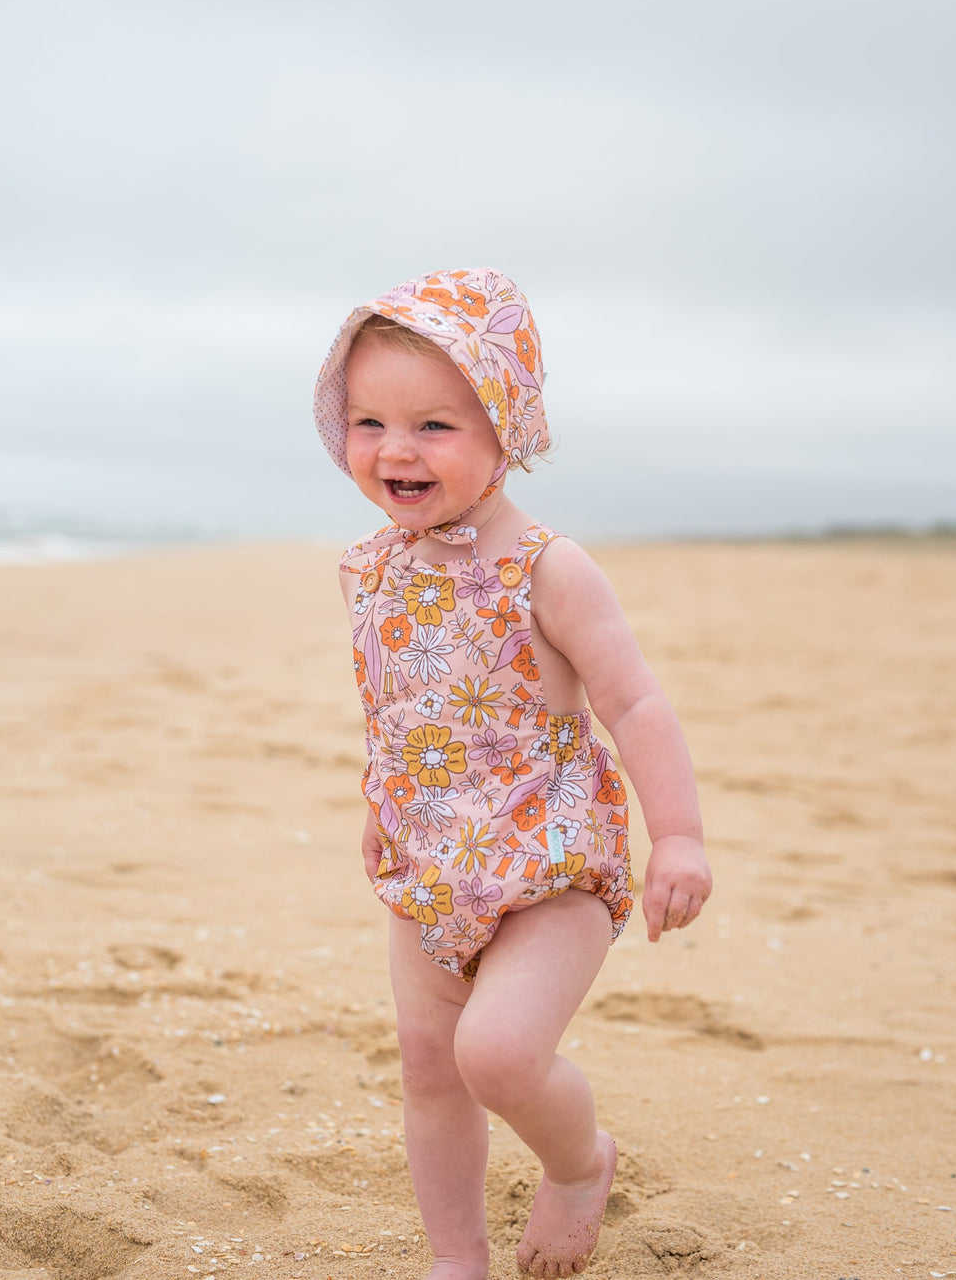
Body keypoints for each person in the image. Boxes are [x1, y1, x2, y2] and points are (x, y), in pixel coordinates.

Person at [314, 268, 712, 1280]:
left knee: (495, 1055)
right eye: (368, 421)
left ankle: (578, 1166)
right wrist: (381, 801)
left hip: (548, 855)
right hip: (428, 863)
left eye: (434, 425)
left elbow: (634, 703)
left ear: (506, 428)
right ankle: (458, 1259)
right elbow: (400, 704)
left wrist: (678, 835)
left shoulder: (546, 567)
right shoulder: (370, 568)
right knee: (429, 1070)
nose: (395, 449)